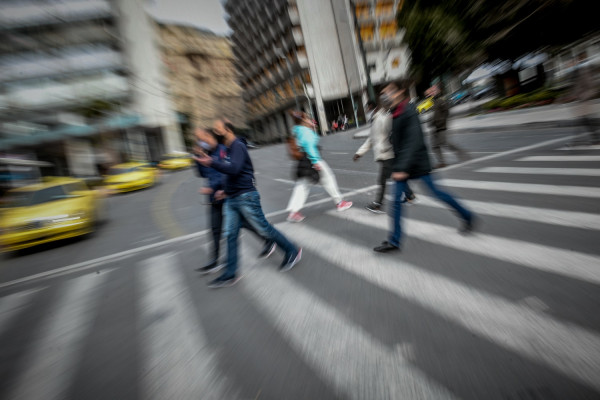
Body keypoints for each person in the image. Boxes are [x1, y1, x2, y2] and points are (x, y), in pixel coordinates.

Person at [195, 119, 302, 288]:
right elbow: (230, 173)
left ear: (228, 130)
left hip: (246, 196)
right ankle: (230, 274)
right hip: (231, 198)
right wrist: (224, 190)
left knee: (263, 228)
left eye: (218, 129)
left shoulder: (238, 145)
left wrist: (212, 162)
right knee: (230, 235)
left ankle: (292, 251)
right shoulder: (228, 149)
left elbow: (235, 169)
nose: (215, 132)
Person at [374, 79, 476, 253]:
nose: (386, 95)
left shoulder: (409, 111)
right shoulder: (395, 112)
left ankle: (467, 216)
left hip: (416, 163)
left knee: (437, 193)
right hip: (404, 165)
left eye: (389, 90)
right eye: (384, 92)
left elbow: (413, 141)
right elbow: (401, 138)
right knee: (396, 202)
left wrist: (402, 168)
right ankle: (394, 241)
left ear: (400, 92)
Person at [194, 128, 276, 275]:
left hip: (227, 195)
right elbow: (202, 173)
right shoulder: (207, 153)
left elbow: (226, 172)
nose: (202, 142)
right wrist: (198, 157)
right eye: (199, 139)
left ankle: (269, 240)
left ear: (210, 136)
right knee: (215, 229)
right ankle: (215, 260)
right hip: (214, 198)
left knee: (246, 224)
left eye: (203, 138)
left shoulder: (222, 150)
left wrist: (213, 188)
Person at [286, 111, 353, 222]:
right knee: (329, 179)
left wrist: (312, 128)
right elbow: (309, 146)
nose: (310, 120)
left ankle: (293, 212)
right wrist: (315, 161)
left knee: (302, 186)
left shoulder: (298, 131)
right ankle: (340, 203)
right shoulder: (305, 131)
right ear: (303, 121)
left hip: (304, 161)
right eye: (308, 119)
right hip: (313, 160)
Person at [354, 100, 416, 214]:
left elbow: (392, 131)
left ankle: (378, 204)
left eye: (367, 108)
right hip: (384, 154)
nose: (367, 111)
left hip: (387, 154)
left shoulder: (383, 117)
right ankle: (410, 195)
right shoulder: (375, 119)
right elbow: (371, 139)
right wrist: (359, 153)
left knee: (382, 180)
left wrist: (392, 145)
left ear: (372, 107)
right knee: (394, 176)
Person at [430, 87, 469, 169]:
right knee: (434, 146)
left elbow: (446, 113)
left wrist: (442, 122)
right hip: (435, 127)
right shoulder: (434, 102)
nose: (432, 92)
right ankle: (441, 162)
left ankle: (459, 151)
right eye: (431, 91)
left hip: (441, 126)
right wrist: (431, 122)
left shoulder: (441, 101)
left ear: (438, 91)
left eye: (434, 91)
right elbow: (434, 114)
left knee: (444, 143)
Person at [566, 51, 599, 145]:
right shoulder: (579, 70)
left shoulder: (584, 70)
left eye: (576, 60)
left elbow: (590, 85)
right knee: (584, 119)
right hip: (581, 99)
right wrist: (572, 95)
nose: (570, 64)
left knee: (582, 119)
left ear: (580, 59)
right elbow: (577, 86)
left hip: (584, 98)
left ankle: (575, 141)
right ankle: (595, 139)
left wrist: (583, 97)